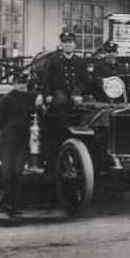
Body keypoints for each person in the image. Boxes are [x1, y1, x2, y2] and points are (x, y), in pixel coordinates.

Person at [41, 30, 88, 162]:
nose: (68, 45)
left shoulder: (80, 61)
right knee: (61, 104)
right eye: (65, 42)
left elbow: (85, 80)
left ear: (74, 45)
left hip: (76, 94)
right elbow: (46, 80)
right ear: (61, 44)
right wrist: (47, 95)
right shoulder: (53, 60)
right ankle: (64, 134)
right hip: (58, 92)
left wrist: (79, 92)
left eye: (70, 42)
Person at [0, 70, 35, 217]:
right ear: (14, 84)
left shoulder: (29, 98)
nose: (22, 86)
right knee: (8, 172)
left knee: (18, 172)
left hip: (22, 139)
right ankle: (8, 203)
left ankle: (13, 204)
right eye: (19, 83)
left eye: (24, 84)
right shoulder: (6, 99)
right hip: (9, 139)